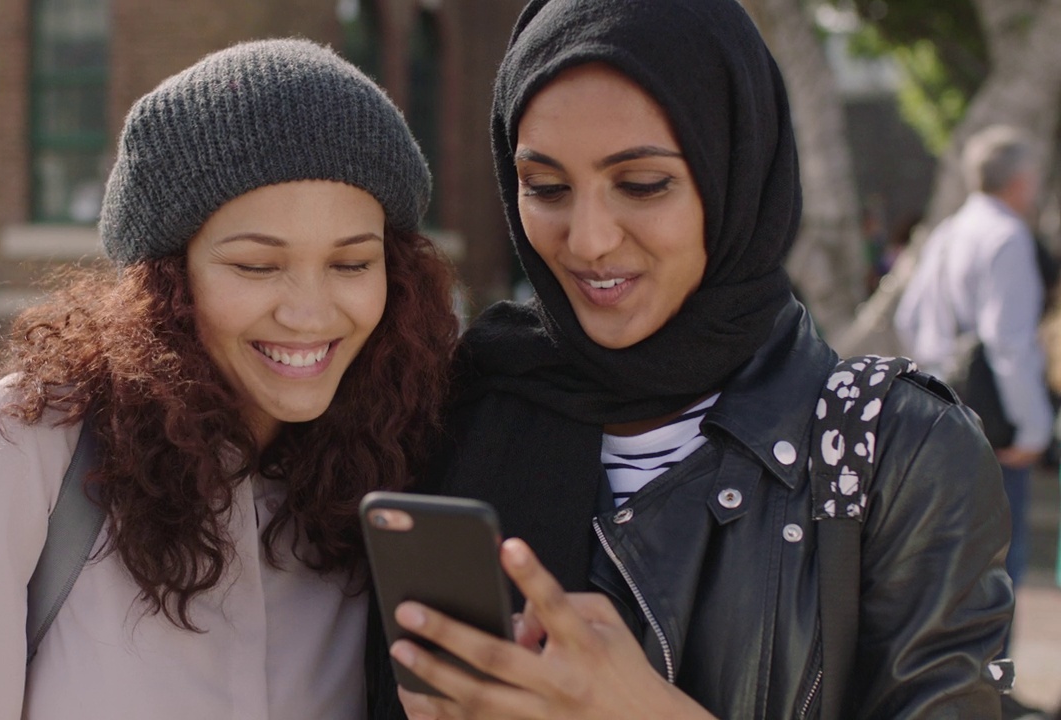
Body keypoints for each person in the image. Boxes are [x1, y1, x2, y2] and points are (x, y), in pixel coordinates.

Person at [364, 0, 1014, 717]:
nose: (587, 240)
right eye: (545, 187)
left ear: (736, 170)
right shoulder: (447, 406)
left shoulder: (903, 450)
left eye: (643, 184)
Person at [0, 38, 457, 719]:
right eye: (256, 267)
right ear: (167, 282)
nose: (310, 312)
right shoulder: (23, 451)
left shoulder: (399, 458)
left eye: (351, 265)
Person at [895, 125, 1052, 612]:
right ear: (1022, 181)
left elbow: (908, 317)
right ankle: (993, 685)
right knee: (1001, 563)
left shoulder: (947, 232)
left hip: (939, 412)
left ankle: (958, 685)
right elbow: (1010, 341)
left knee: (951, 563)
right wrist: (1033, 428)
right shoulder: (1007, 236)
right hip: (995, 422)